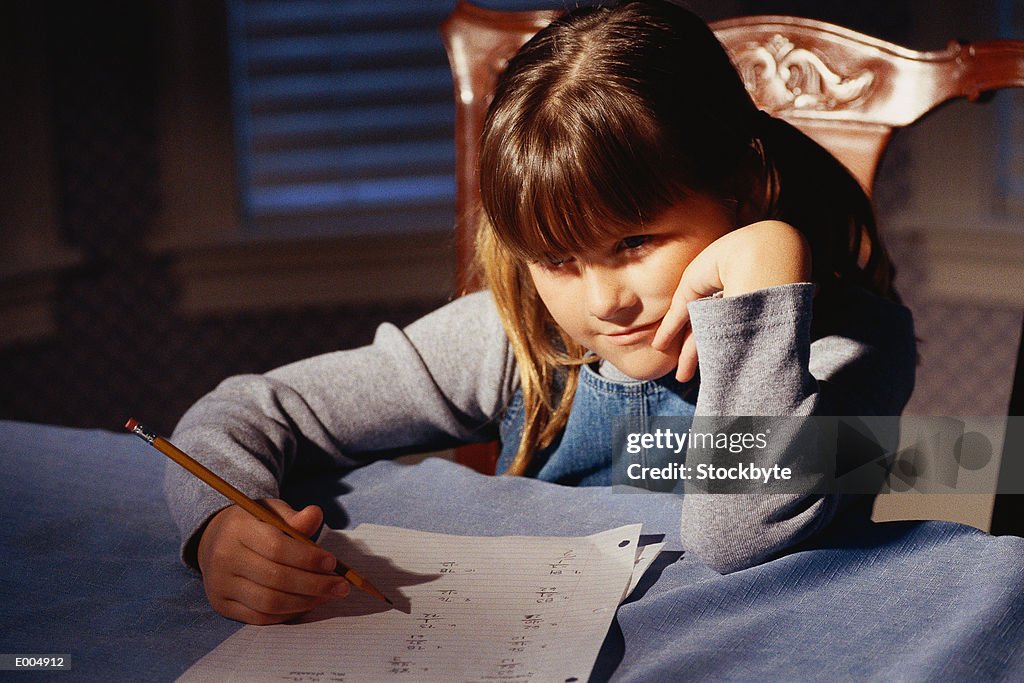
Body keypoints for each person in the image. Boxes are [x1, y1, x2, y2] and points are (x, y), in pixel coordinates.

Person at [166, 0, 916, 625]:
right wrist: (217, 527)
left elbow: (737, 534)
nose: (604, 302)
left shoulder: (845, 345)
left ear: (743, 189)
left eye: (634, 241)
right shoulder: (518, 335)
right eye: (559, 260)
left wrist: (760, 289)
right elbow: (248, 409)